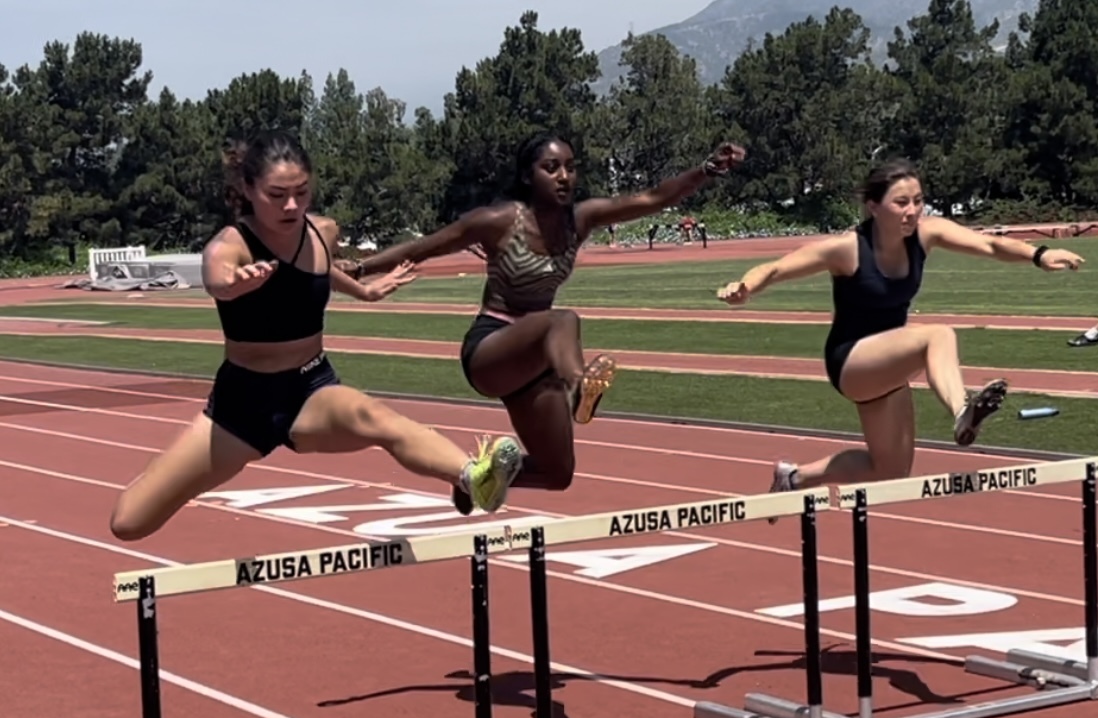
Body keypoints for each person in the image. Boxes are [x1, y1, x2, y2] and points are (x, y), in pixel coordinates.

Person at [108, 130, 523, 541]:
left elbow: (318, 268)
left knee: (377, 419)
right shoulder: (230, 247)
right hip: (243, 406)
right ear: (249, 189)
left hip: (310, 387)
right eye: (277, 195)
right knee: (129, 522)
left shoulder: (322, 231)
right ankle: (179, 477)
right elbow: (217, 280)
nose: (291, 205)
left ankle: (473, 478)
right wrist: (235, 285)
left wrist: (364, 291)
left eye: (301, 192)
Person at [344, 134, 744, 504]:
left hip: (539, 362)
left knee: (557, 473)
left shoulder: (580, 219)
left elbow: (652, 198)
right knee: (560, 319)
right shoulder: (499, 221)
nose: (564, 176)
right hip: (492, 349)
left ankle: (473, 480)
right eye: (551, 168)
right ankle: (579, 387)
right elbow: (424, 247)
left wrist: (707, 169)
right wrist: (360, 270)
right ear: (527, 176)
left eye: (570, 167)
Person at [717, 158, 1084, 492]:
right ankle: (962, 412)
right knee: (937, 336)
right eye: (901, 203)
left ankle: (793, 477)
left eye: (918, 201)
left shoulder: (927, 233)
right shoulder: (848, 249)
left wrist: (1039, 254)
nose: (912, 211)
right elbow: (776, 268)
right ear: (874, 206)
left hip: (890, 362)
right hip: (851, 361)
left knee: (890, 472)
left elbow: (988, 245)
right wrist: (745, 287)